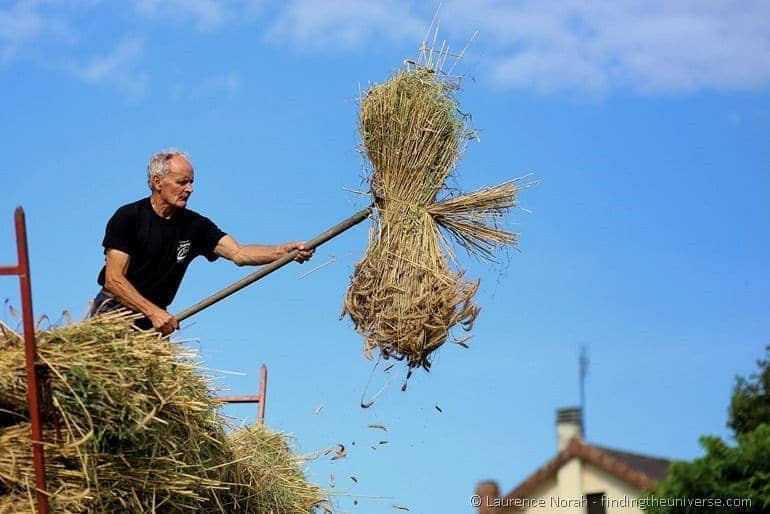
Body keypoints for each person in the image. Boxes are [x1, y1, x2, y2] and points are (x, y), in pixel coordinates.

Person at [90, 149, 313, 335]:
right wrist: (152, 312)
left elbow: (239, 253)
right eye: (182, 182)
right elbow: (113, 280)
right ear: (158, 182)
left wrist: (282, 251)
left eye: (191, 182)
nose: (190, 189)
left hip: (157, 317)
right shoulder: (130, 217)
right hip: (115, 311)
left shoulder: (194, 226)